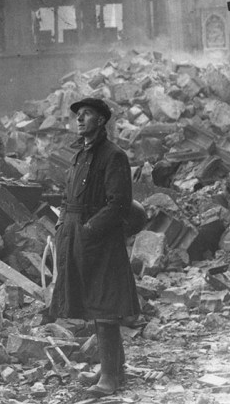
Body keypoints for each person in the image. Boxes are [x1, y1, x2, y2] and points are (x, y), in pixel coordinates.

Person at [48, 97, 140, 397]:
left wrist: (89, 230)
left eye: (86, 114)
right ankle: (115, 367)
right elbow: (66, 197)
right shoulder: (78, 156)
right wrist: (63, 226)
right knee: (89, 300)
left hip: (100, 240)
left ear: (101, 121)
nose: (79, 119)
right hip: (74, 235)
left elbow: (119, 204)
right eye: (78, 115)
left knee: (104, 306)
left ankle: (110, 378)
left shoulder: (113, 156)